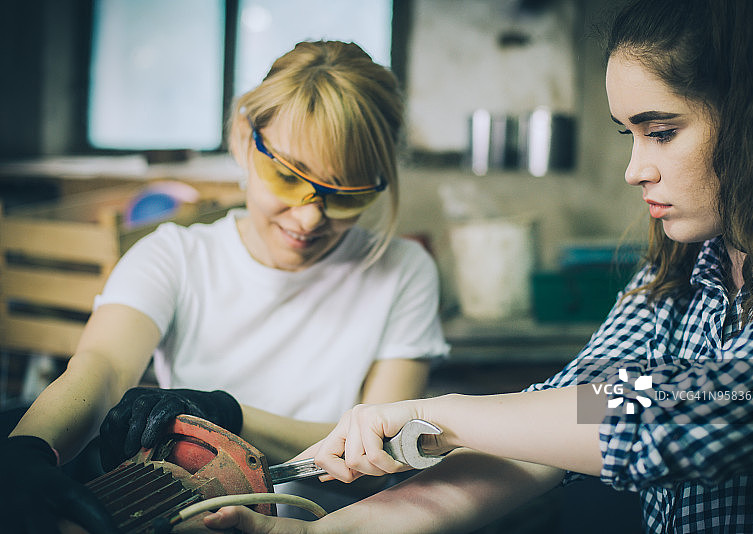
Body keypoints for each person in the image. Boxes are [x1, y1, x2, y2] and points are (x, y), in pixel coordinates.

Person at [200, 1, 753, 533]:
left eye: (662, 132)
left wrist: (440, 415)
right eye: (630, 136)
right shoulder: (677, 275)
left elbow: (722, 404)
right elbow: (579, 412)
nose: (634, 169)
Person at [0, 40, 449, 533]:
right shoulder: (174, 257)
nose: (309, 218)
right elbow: (101, 368)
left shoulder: (404, 271)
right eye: (287, 177)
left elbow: (380, 453)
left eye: (346, 196)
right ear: (242, 139)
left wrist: (229, 417)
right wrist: (28, 451)